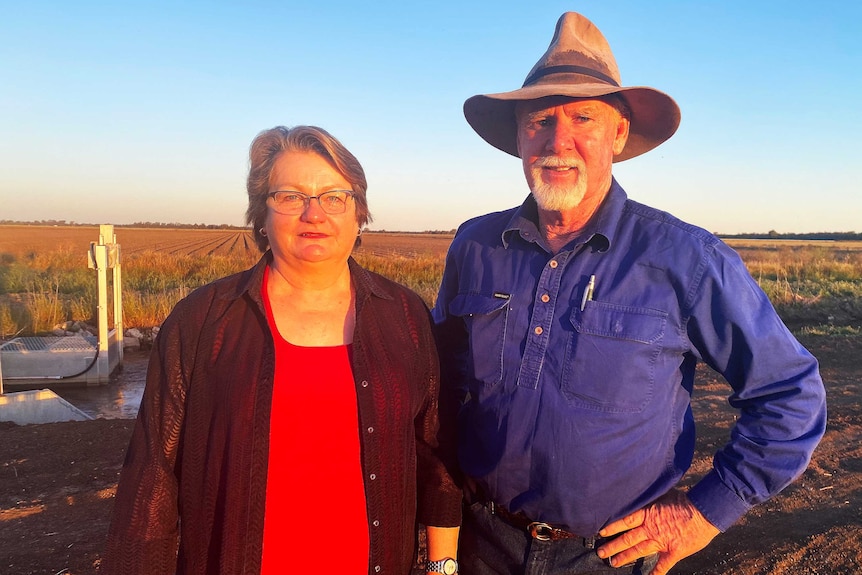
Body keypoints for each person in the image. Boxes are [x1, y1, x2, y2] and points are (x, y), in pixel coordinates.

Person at [432, 12, 826, 575]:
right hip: (480, 543)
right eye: (539, 120)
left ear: (617, 134)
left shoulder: (685, 259)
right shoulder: (476, 245)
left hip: (608, 557)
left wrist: (703, 514)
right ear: (519, 137)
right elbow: (442, 385)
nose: (558, 140)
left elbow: (791, 393)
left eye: (583, 117)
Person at [103, 125, 462, 575]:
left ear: (359, 213)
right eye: (290, 196)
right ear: (262, 212)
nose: (314, 214)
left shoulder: (405, 316)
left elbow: (434, 453)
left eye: (334, 197)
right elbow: (151, 475)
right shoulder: (202, 320)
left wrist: (441, 566)